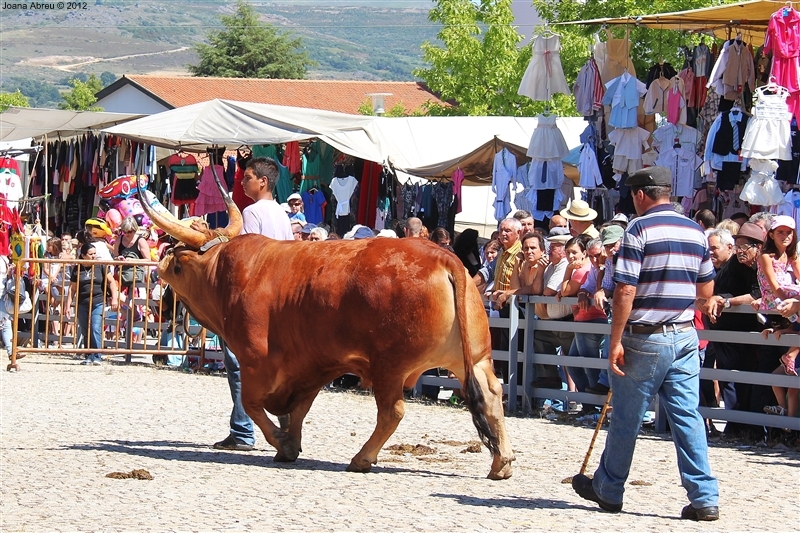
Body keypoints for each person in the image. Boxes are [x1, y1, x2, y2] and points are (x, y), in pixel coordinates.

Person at [572, 166, 719, 521]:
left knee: (627, 417)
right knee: (687, 417)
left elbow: (624, 289)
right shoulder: (696, 231)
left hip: (644, 337)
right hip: (685, 334)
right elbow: (706, 290)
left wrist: (616, 339)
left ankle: (609, 489)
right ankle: (704, 497)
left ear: (641, 195)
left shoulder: (639, 229)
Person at [214, 157, 293, 452]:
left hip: (255, 296)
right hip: (280, 296)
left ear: (262, 181)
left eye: (247, 178)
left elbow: (245, 256)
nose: (243, 182)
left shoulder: (251, 212)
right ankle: (282, 414)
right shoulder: (283, 214)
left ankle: (243, 430)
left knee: (238, 364)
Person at [560, 235, 607, 393]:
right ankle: (587, 403)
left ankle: (594, 406)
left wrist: (568, 271)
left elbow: (565, 291)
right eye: (567, 252)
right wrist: (581, 293)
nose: (570, 256)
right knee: (575, 363)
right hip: (584, 319)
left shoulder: (587, 269)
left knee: (590, 365)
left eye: (574, 252)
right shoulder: (592, 268)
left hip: (592, 319)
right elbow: (587, 286)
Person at [755, 215, 800, 374]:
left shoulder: (792, 255)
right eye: (780, 232)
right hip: (774, 297)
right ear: (771, 234)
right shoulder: (766, 256)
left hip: (789, 296)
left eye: (789, 232)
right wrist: (791, 303)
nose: (785, 236)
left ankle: (790, 354)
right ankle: (791, 353)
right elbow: (774, 287)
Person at [531, 228, 573, 390]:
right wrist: (540, 270)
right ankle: (549, 378)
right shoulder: (549, 266)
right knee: (539, 339)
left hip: (565, 321)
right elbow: (537, 290)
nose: (550, 248)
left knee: (574, 361)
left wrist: (542, 290)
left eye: (554, 246)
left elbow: (549, 290)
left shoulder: (564, 264)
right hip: (549, 322)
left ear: (563, 251)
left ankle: (580, 400)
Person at [65, 243, 119, 366]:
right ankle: (88, 355)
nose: (94, 256)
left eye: (95, 253)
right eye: (91, 254)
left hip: (98, 301)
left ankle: (97, 356)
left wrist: (114, 298)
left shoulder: (101, 266)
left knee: (95, 327)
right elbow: (72, 289)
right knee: (84, 329)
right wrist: (68, 305)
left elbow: (111, 282)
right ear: (83, 256)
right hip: (82, 302)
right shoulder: (78, 268)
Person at [113, 216, 151, 358]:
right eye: (125, 232)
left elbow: (148, 259)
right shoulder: (119, 240)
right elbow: (115, 256)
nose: (127, 234)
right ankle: (126, 341)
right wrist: (120, 259)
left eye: (130, 232)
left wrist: (134, 260)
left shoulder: (140, 240)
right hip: (122, 276)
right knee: (123, 307)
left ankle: (135, 343)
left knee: (138, 309)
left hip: (136, 277)